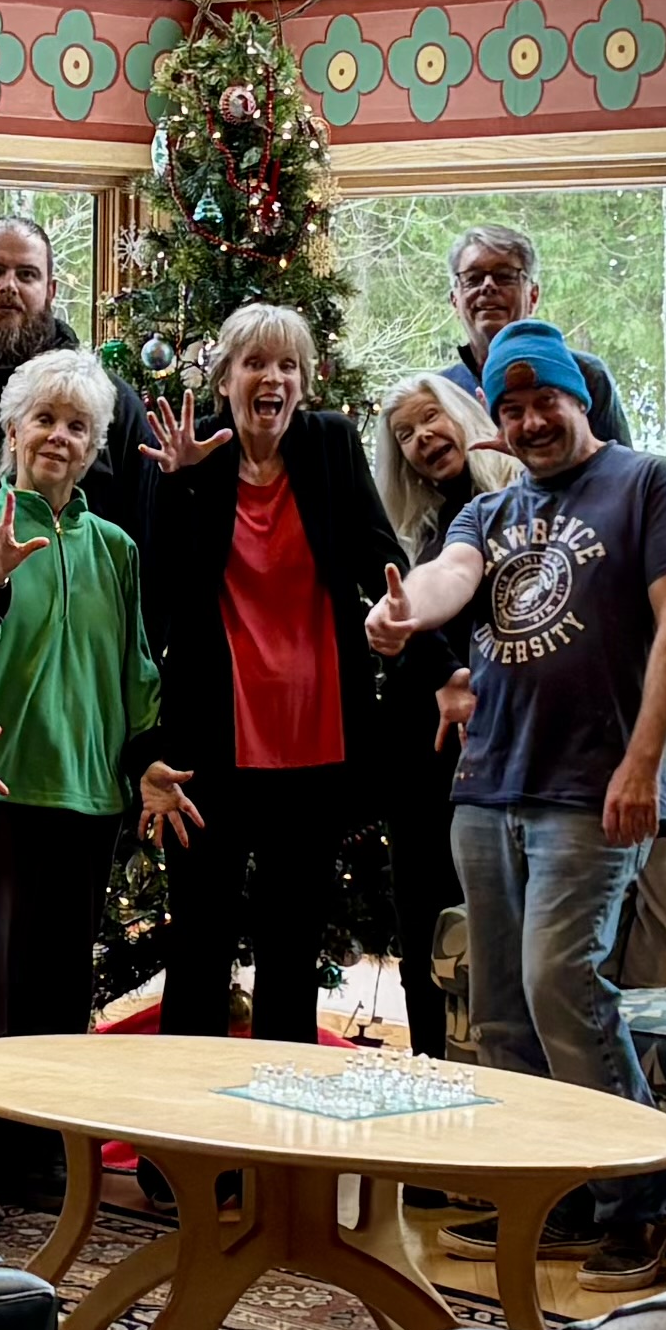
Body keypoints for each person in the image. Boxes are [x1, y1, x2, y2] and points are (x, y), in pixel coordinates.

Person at [368, 319, 666, 1288]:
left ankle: (638, 1201)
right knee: (505, 1005)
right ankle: (543, 1199)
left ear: (578, 400)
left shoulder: (651, 485)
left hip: (592, 788)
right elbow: (451, 577)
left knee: (564, 984)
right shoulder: (491, 514)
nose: (527, 422)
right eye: (510, 409)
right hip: (488, 787)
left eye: (543, 403)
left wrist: (644, 765)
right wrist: (404, 613)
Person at [0, 350, 159, 1221]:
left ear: (96, 446)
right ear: (12, 430)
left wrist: (148, 764)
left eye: (78, 426)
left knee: (56, 986)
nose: (60, 436)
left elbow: (134, 673)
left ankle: (33, 1152)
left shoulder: (116, 548)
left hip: (83, 792)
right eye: (45, 419)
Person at [131, 305, 410, 1053]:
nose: (274, 378)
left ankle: (284, 1156)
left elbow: (381, 559)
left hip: (315, 741)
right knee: (199, 946)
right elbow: (161, 598)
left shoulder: (328, 446)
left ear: (305, 383)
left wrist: (397, 614)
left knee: (291, 952)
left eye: (289, 366)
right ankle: (183, 1155)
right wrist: (183, 484)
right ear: (224, 379)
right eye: (255, 363)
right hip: (210, 746)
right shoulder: (192, 458)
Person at [360, 371, 521, 1070]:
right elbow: (406, 614)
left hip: (499, 754)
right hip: (418, 762)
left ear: (460, 416)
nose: (423, 439)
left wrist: (464, 681)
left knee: (493, 933)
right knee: (422, 930)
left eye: (430, 421)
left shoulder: (516, 506)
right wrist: (440, 675)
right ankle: (429, 1079)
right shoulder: (418, 533)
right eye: (404, 436)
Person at [0, 215, 157, 521]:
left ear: (51, 290)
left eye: (27, 275)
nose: (9, 286)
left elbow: (146, 531)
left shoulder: (107, 401)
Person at [432, 226, 631, 447]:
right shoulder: (440, 392)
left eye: (504, 276)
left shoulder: (587, 375)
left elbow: (623, 472)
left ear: (533, 296)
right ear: (454, 301)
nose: (488, 286)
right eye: (473, 278)